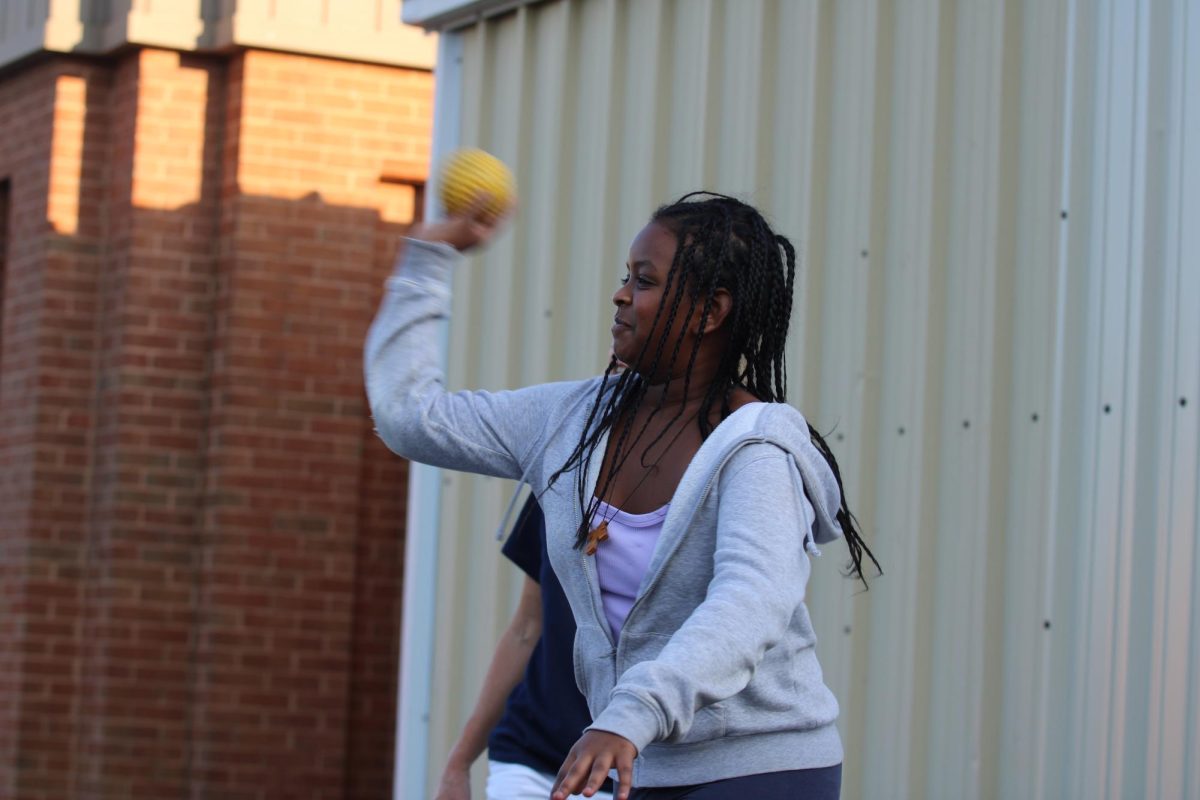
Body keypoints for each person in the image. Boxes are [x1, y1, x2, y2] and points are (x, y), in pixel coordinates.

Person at [365, 192, 880, 800]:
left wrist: (628, 715)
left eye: (644, 280)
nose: (620, 295)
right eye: (624, 277)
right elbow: (410, 420)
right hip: (642, 763)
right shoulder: (571, 422)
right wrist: (426, 260)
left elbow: (749, 602)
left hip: (762, 765)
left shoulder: (756, 450)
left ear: (708, 311)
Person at [434, 494, 613, 800]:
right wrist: (458, 764)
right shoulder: (557, 477)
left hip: (622, 772)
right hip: (531, 757)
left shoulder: (695, 482)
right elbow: (526, 629)